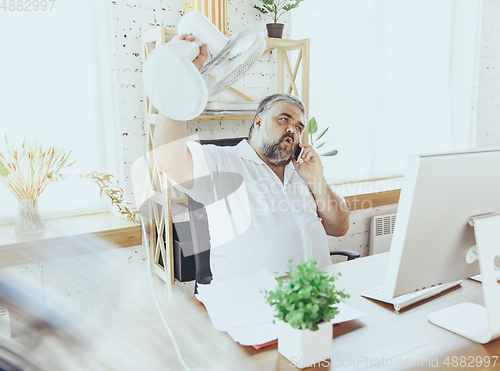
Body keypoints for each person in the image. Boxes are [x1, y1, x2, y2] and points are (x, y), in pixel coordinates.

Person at [153, 34, 349, 283]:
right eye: (283, 119)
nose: (292, 129)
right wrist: (180, 81)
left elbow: (339, 228)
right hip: (253, 303)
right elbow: (170, 159)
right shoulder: (223, 162)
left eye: (299, 126)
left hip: (315, 298)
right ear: (258, 122)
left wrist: (317, 180)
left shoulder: (304, 172)